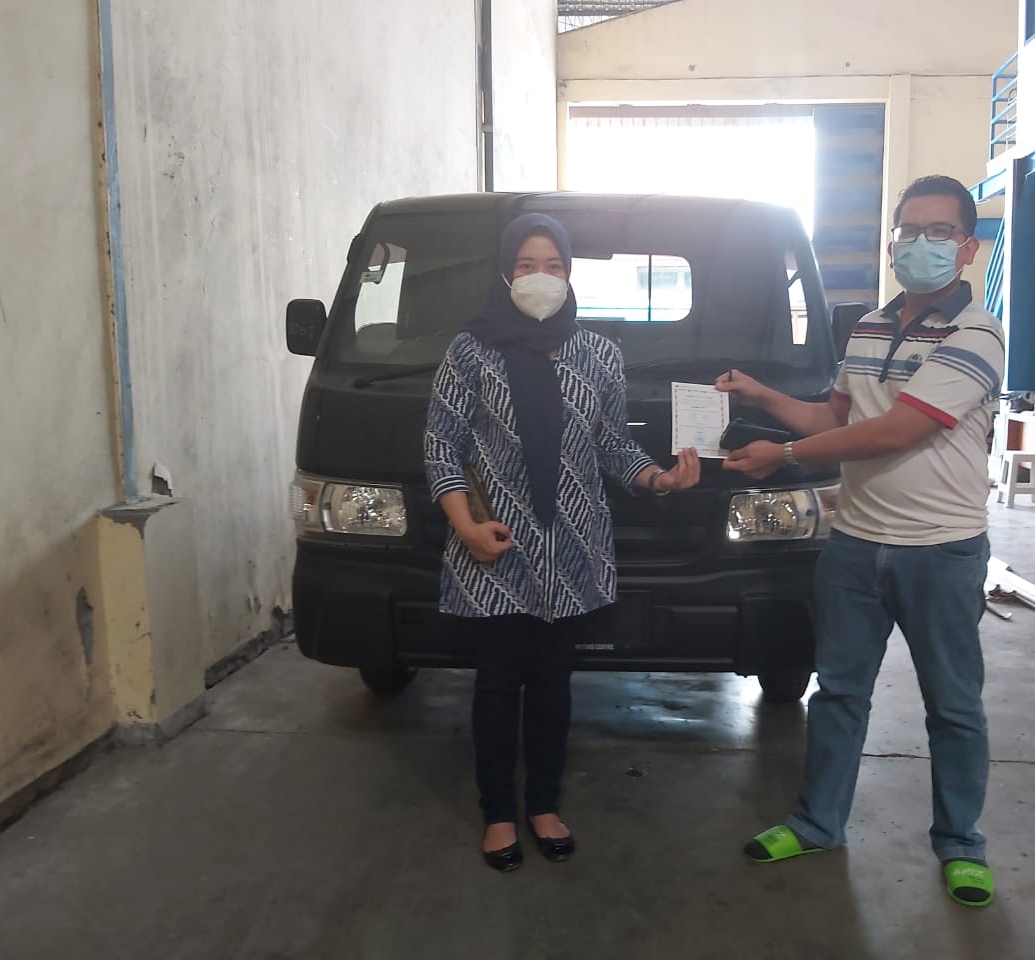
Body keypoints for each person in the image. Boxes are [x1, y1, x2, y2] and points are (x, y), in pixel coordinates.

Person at [716, 175, 1004, 908]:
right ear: (892, 239)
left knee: (953, 705)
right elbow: (833, 418)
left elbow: (897, 430)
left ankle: (961, 843)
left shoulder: (978, 334)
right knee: (840, 693)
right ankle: (818, 823)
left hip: (940, 550)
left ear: (968, 247)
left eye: (940, 232)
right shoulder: (870, 327)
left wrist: (782, 456)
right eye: (909, 230)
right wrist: (762, 397)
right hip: (853, 545)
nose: (921, 243)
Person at [423, 213, 700, 873]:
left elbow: (612, 445)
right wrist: (465, 526)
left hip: (571, 549)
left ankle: (543, 804)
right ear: (505, 272)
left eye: (553, 265)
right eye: (526, 265)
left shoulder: (598, 353)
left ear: (570, 273)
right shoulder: (471, 350)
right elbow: (440, 443)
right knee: (498, 684)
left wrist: (659, 478)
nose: (540, 277)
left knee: (552, 682)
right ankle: (498, 813)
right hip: (495, 545)